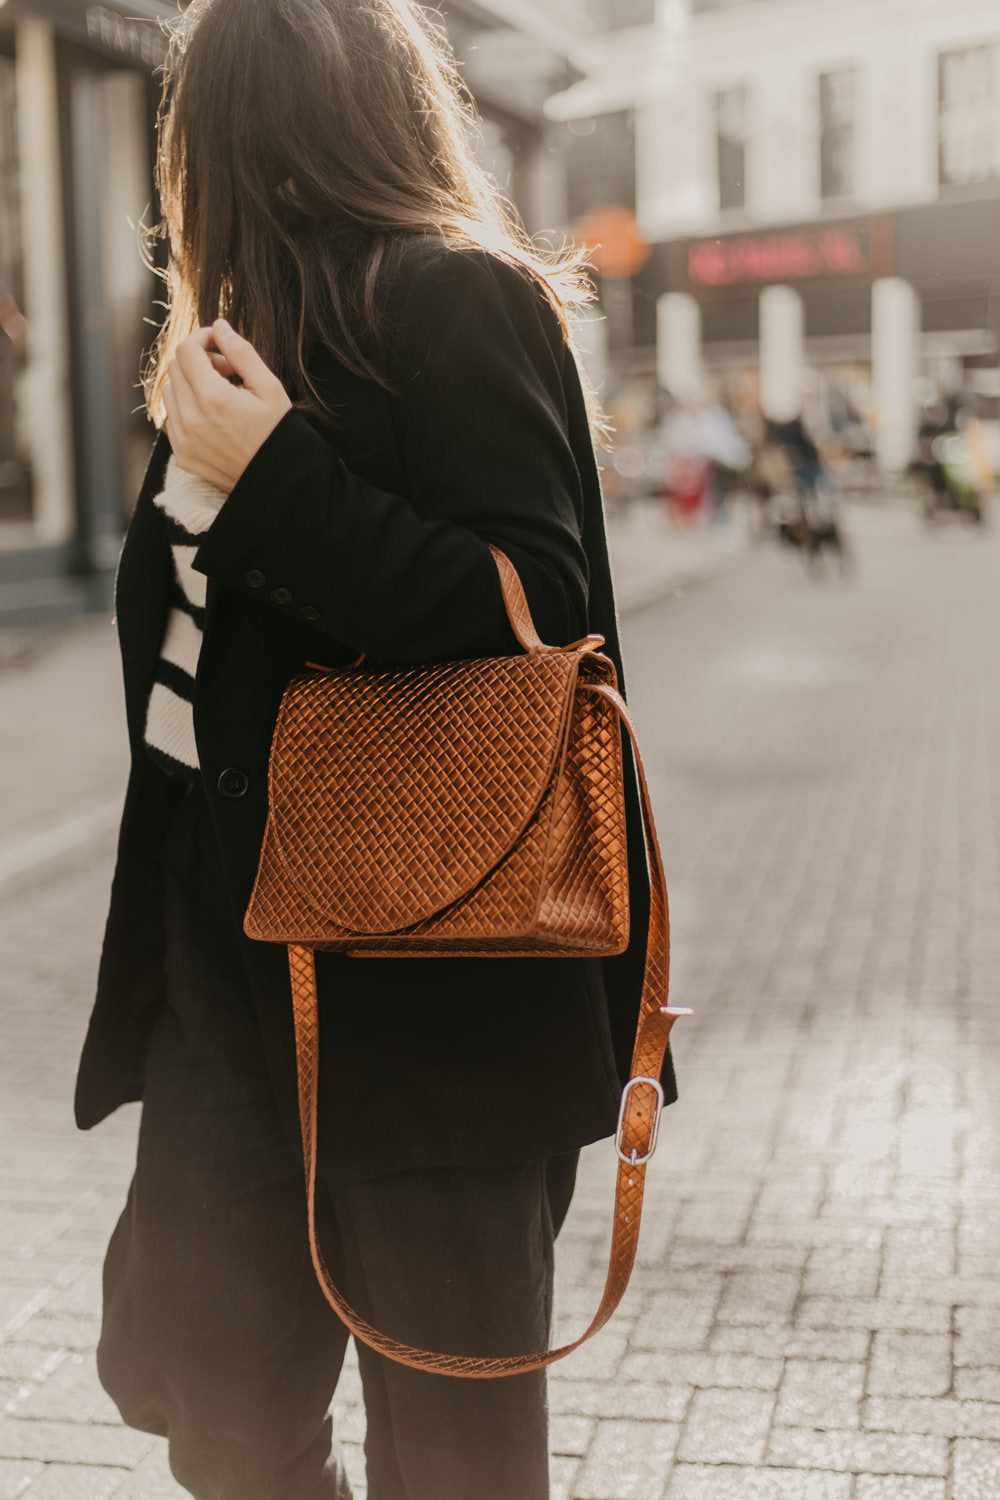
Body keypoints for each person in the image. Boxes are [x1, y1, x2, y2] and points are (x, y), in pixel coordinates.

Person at [72, 2, 678, 1498]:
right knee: (220, 1416)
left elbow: (535, 612)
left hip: (437, 990)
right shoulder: (231, 351)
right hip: (228, 995)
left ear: (233, 134)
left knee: (454, 1457)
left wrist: (273, 479)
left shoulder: (459, 299)